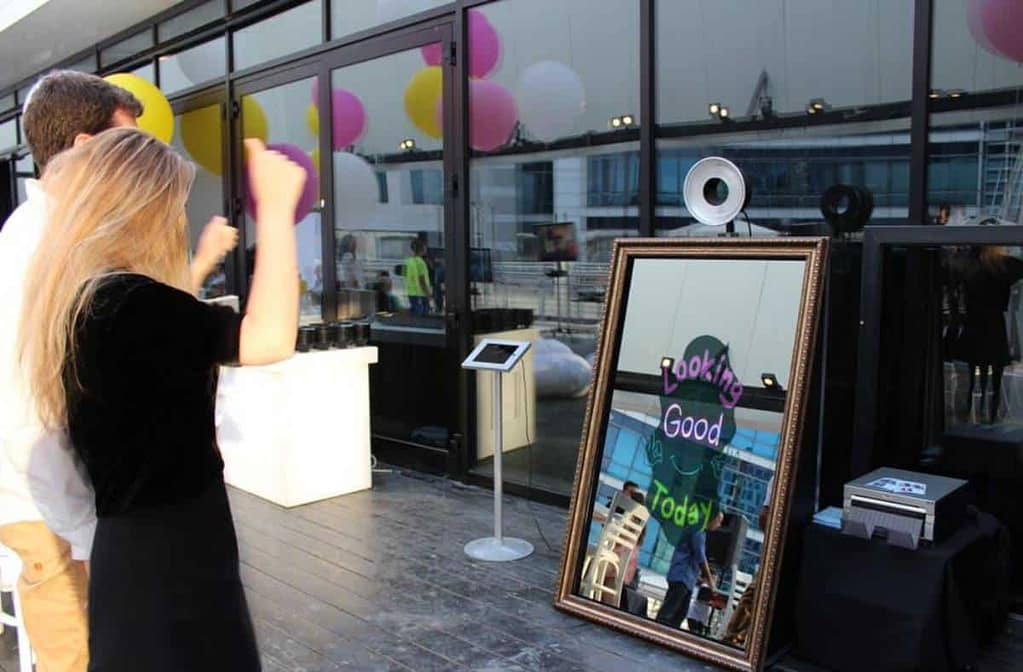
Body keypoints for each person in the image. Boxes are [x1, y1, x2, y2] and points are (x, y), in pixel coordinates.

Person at [18, 129, 305, 671]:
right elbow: (269, 338)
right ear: (142, 210)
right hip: (173, 549)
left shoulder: (87, 300)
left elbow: (163, 339)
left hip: (133, 545)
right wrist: (275, 212)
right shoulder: (132, 305)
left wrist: (197, 264)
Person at [655, 506, 724, 630]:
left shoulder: (699, 531)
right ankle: (654, 634)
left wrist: (698, 578)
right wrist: (711, 583)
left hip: (687, 579)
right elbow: (701, 558)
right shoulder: (697, 530)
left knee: (679, 615)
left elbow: (692, 558)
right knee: (668, 614)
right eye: (719, 520)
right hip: (681, 576)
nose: (719, 525)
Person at [404, 238, 432, 316]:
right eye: (425, 247)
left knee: (415, 316)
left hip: (411, 293)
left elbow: (406, 277)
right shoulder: (421, 262)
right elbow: (422, 281)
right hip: (421, 294)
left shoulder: (408, 261)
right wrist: (428, 294)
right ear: (422, 249)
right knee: (422, 317)